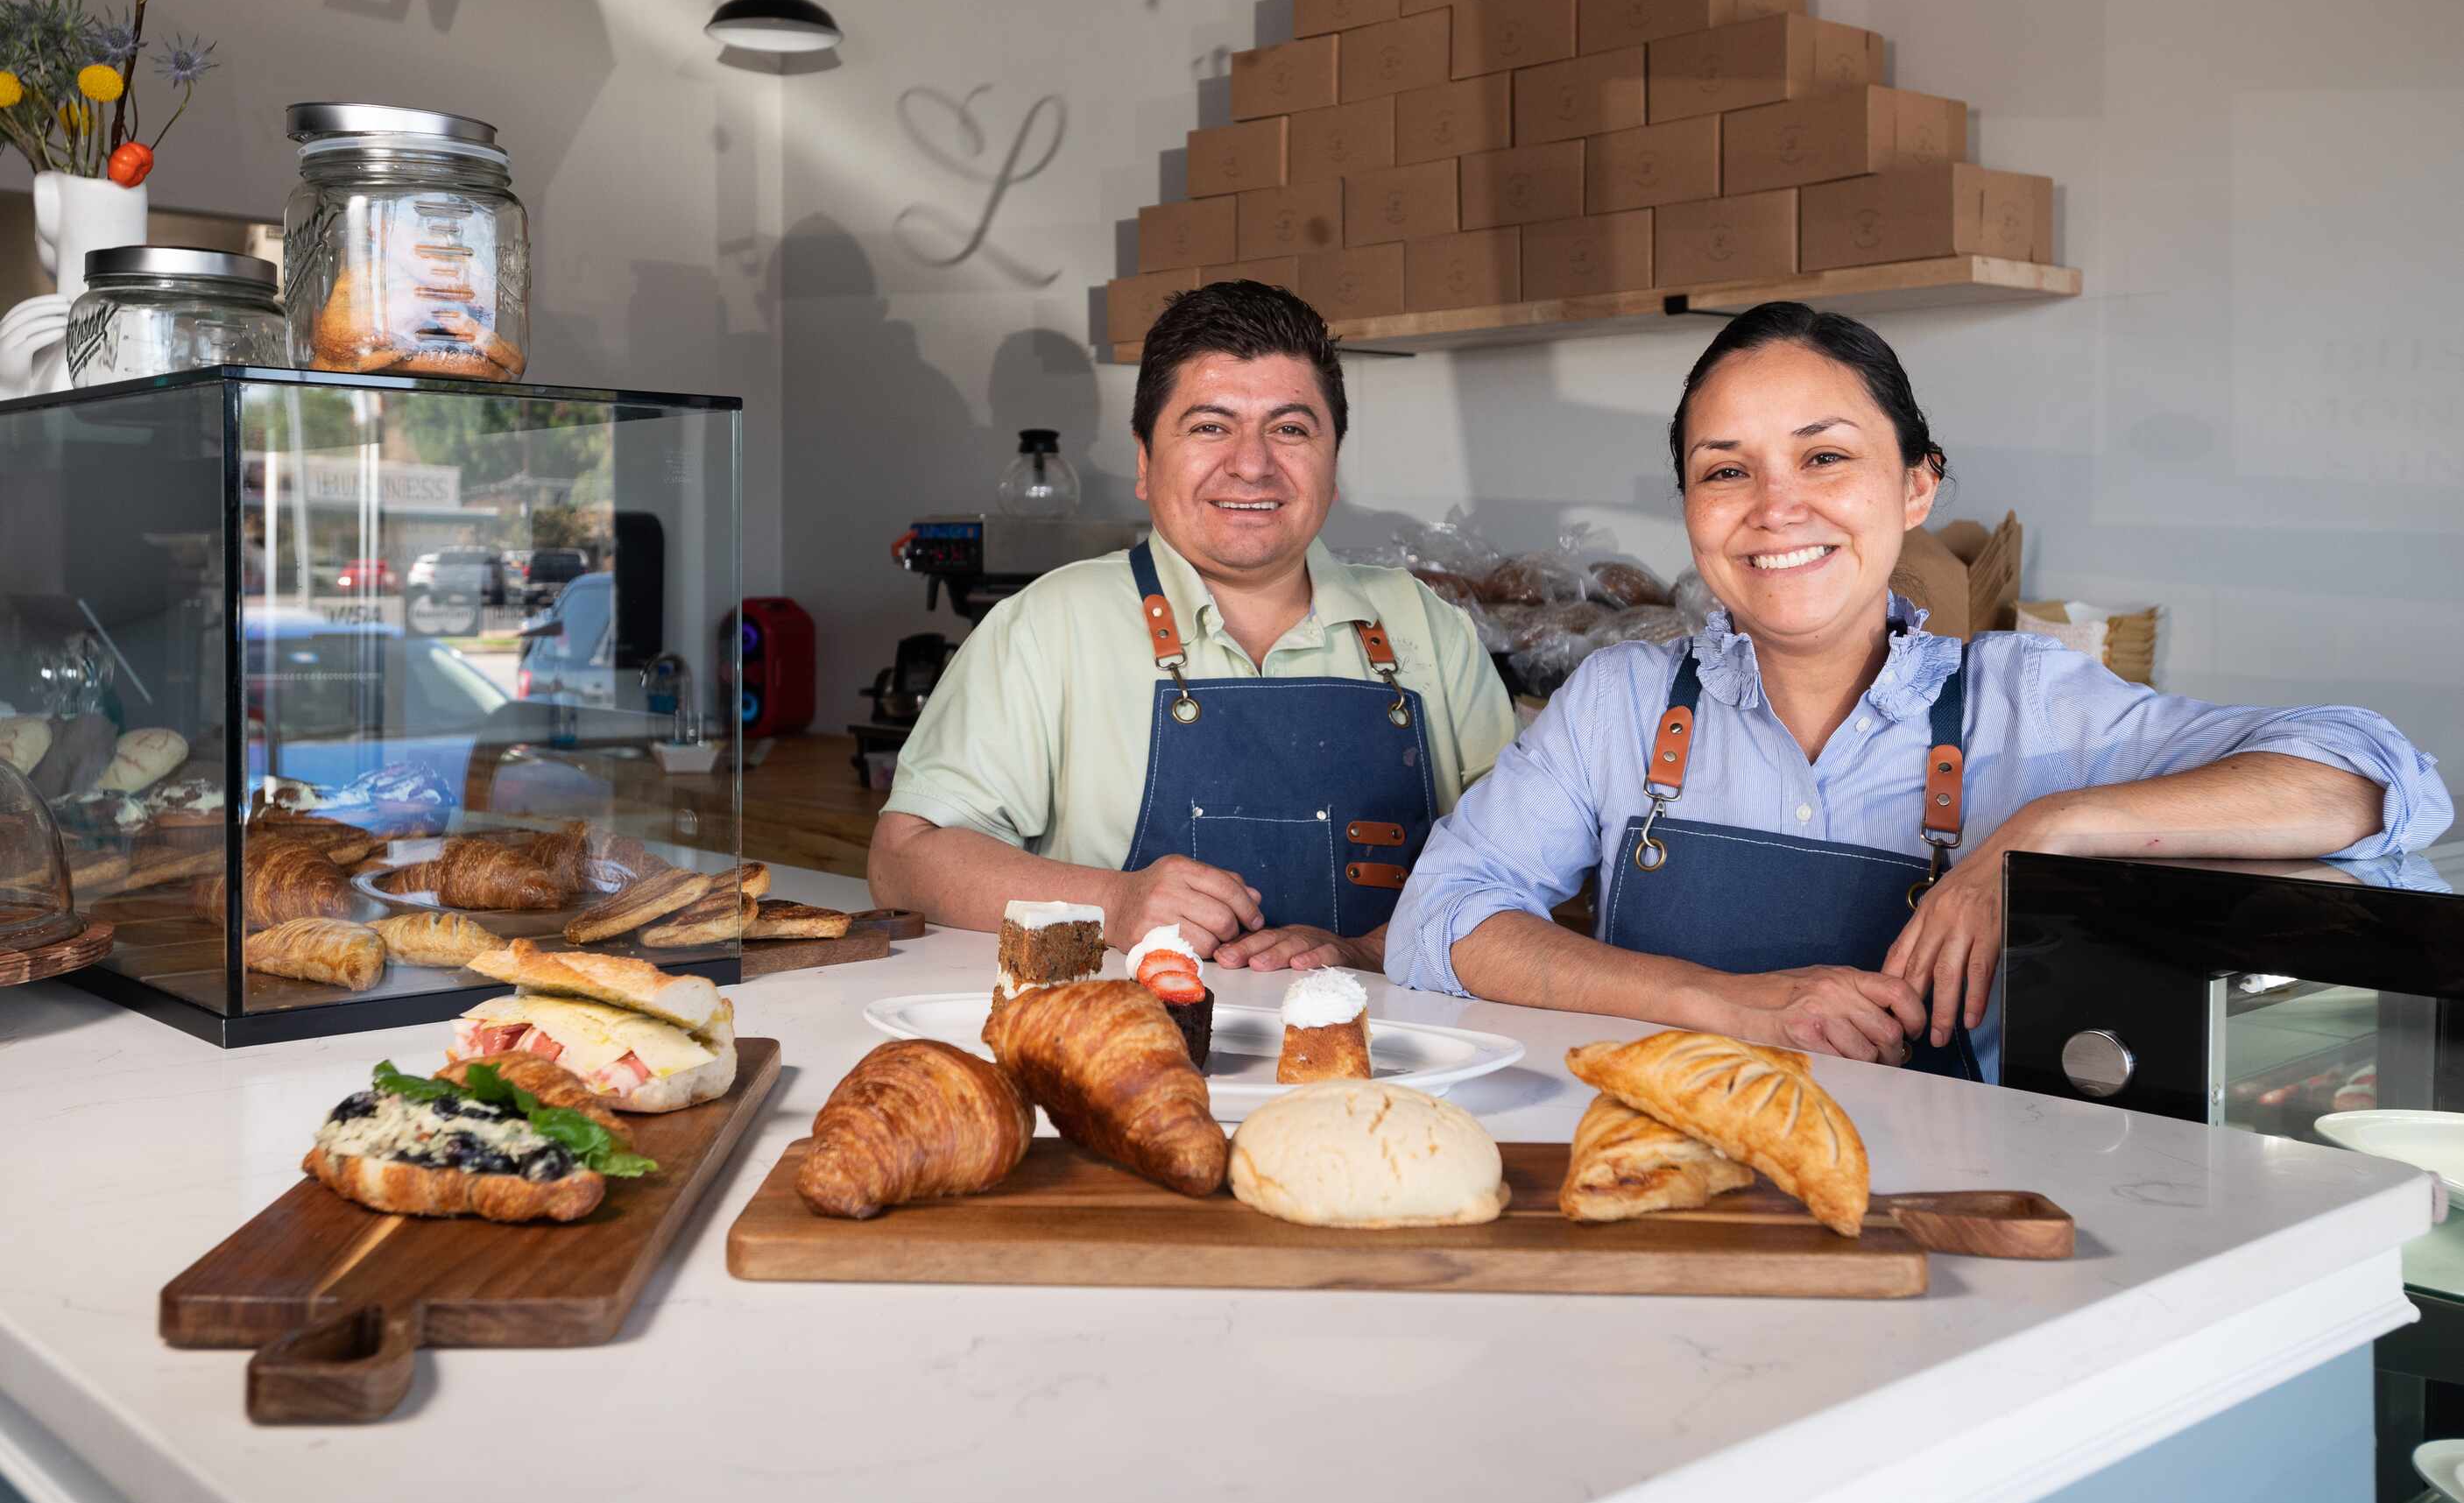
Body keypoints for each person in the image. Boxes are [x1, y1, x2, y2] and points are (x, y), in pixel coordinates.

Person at [1387, 302, 2450, 1078]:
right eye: (1725, 470)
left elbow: (2373, 780)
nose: (1774, 508)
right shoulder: (1619, 703)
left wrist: (2043, 831)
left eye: (1824, 459)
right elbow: (1440, 917)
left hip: (1944, 1219)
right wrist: (1719, 1004)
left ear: (1914, 485)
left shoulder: (2031, 709)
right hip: (1669, 1176)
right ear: (1689, 507)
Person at [869, 280, 1517, 970]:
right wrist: (1111, 903)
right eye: (1210, 426)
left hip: (1385, 1057)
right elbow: (905, 859)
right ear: (1145, 461)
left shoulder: (1428, 628)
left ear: (1333, 463)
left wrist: (1370, 948)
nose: (1251, 463)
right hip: (1118, 1051)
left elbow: (1520, 871)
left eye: (1290, 428)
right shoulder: (1049, 624)